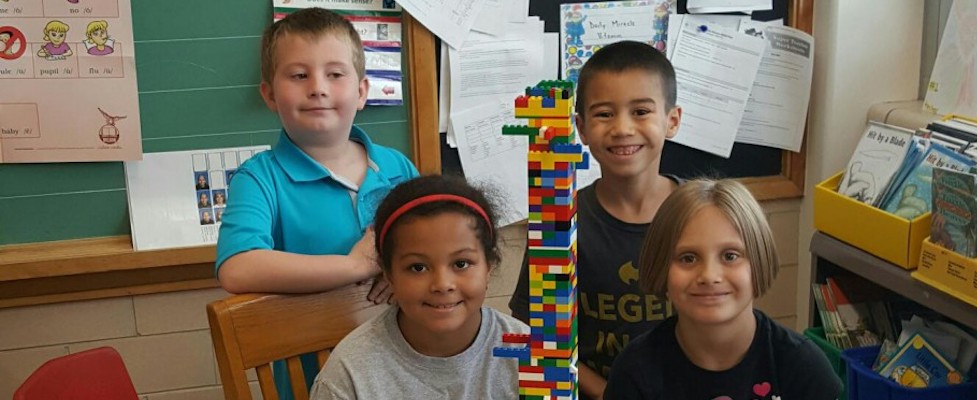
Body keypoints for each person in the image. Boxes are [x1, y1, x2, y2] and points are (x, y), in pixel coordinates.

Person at [215, 7, 418, 398]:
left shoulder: (398, 167)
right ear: (270, 94)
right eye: (298, 75)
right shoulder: (260, 178)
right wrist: (355, 265)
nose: (318, 87)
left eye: (335, 74)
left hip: (404, 375)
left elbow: (435, 248)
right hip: (312, 382)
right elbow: (237, 268)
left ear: (361, 91)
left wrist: (404, 272)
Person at [508, 40, 682, 400]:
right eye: (604, 114)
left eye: (640, 111)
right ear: (582, 129)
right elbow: (539, 335)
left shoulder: (701, 217)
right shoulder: (559, 223)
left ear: (671, 121)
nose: (622, 128)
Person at [603, 179, 842, 399]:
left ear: (758, 262)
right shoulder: (634, 373)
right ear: (662, 268)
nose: (709, 276)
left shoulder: (803, 368)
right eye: (688, 258)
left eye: (730, 256)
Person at [312, 175, 528, 399]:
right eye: (417, 267)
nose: (442, 285)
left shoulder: (523, 353)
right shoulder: (350, 373)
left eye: (461, 264)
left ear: (488, 267)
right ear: (389, 275)